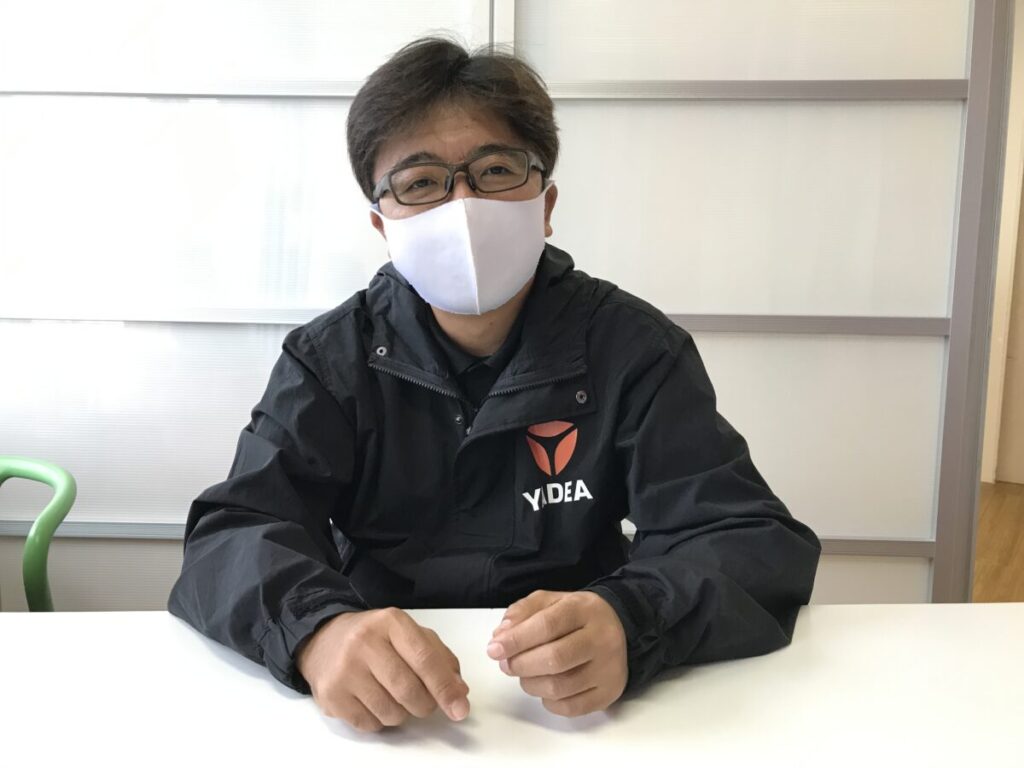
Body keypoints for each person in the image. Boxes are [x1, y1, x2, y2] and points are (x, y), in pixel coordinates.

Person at [167, 36, 821, 733]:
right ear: (382, 224)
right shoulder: (330, 361)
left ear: (545, 203)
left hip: (585, 701)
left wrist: (633, 620)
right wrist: (318, 632)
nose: (463, 204)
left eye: (496, 171)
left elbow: (750, 538)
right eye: (421, 182)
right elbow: (233, 535)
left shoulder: (632, 349)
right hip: (391, 695)